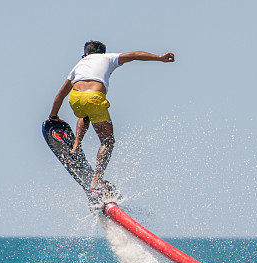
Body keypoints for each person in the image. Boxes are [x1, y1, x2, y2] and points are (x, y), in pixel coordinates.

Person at [48, 41, 174, 191]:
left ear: (86, 54)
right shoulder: (108, 58)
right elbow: (134, 55)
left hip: (75, 98)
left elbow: (61, 94)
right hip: (93, 98)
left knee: (85, 114)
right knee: (108, 141)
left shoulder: (79, 64)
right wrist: (160, 58)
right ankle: (97, 179)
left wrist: (53, 116)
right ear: (102, 52)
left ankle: (76, 145)